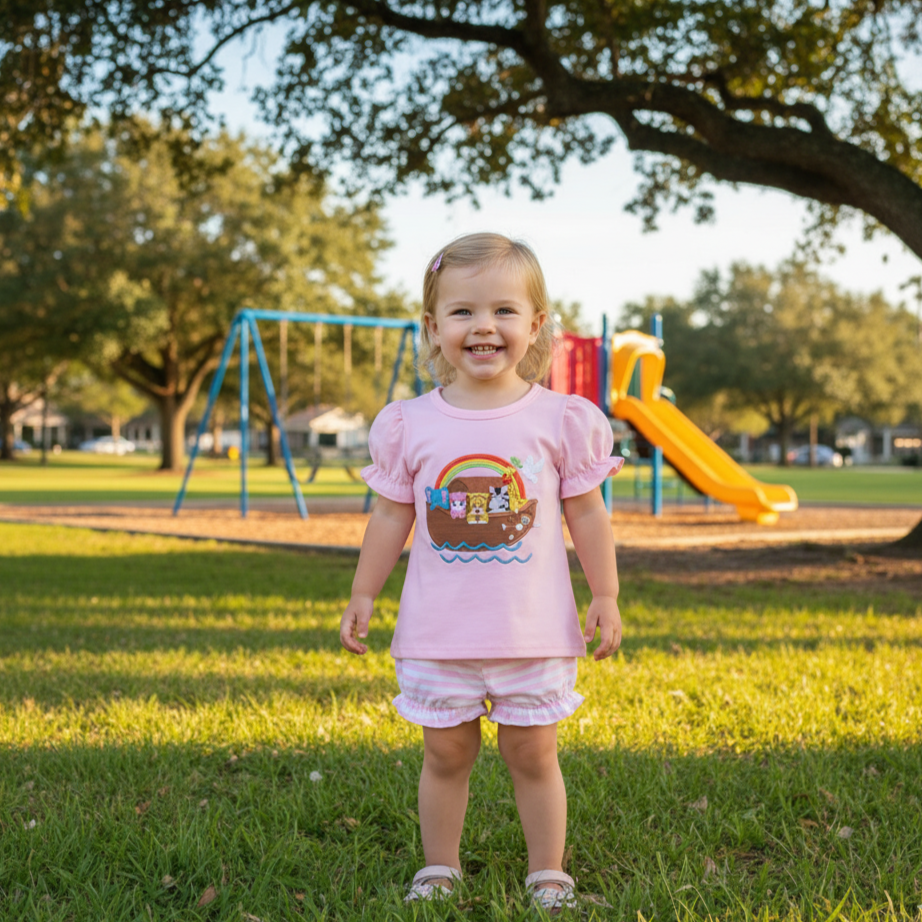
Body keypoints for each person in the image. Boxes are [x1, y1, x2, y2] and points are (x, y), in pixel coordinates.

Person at [339, 233, 623, 912]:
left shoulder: (561, 420)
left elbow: (586, 517)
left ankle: (548, 873)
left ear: (535, 326)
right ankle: (440, 868)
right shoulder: (409, 424)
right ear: (433, 330)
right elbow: (388, 518)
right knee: (445, 756)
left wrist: (605, 592)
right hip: (441, 635)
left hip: (533, 633)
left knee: (532, 756)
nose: (484, 326)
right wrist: (363, 592)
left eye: (503, 310)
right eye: (463, 312)